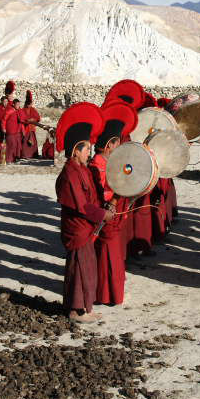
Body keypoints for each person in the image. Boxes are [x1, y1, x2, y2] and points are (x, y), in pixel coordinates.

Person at [55, 102, 112, 323]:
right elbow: (81, 205)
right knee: (78, 268)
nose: (90, 152)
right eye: (86, 148)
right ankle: (74, 310)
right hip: (77, 228)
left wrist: (105, 206)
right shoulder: (69, 173)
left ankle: (85, 308)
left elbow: (93, 197)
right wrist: (101, 215)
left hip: (86, 227)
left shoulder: (83, 169)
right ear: (76, 150)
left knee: (87, 268)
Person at [89, 102, 137, 306]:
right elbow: (102, 193)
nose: (118, 148)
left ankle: (113, 290)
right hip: (107, 215)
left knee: (113, 254)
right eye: (116, 144)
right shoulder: (98, 164)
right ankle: (107, 294)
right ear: (109, 145)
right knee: (107, 254)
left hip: (115, 214)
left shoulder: (108, 161)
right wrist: (116, 197)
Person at [20, 90, 41, 159]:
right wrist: (27, 120)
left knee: (33, 142)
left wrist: (33, 120)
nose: (29, 105)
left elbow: (38, 117)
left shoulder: (33, 109)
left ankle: (33, 155)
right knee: (25, 142)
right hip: (25, 128)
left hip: (32, 128)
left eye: (30, 104)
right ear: (26, 104)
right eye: (28, 104)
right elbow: (22, 118)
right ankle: (25, 155)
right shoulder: (23, 110)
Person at [4, 99, 23, 163]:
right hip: (10, 131)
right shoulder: (10, 111)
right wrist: (3, 128)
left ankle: (15, 159)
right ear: (13, 104)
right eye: (17, 104)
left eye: (19, 104)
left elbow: (22, 119)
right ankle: (9, 160)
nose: (18, 106)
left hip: (17, 131)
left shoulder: (19, 111)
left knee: (17, 146)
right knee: (11, 145)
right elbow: (4, 120)